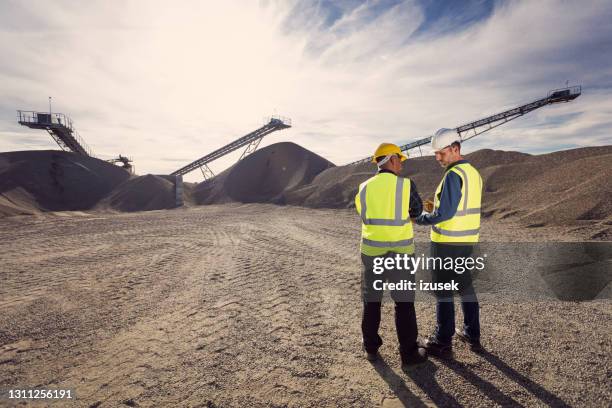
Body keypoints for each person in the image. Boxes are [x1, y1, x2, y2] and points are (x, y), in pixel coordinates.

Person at [355, 143, 428, 368]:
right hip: (400, 252)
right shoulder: (406, 185)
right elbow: (416, 213)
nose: (402, 164)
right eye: (401, 160)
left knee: (372, 300)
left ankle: (371, 348)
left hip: (371, 251)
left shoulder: (364, 187)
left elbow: (363, 213)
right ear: (392, 159)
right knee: (404, 303)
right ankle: (408, 354)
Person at [416, 128, 483, 357]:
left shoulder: (454, 175)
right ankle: (471, 333)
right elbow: (459, 208)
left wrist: (422, 218)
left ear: (455, 149)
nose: (437, 158)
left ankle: (442, 340)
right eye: (435, 153)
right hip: (466, 241)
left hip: (447, 242)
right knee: (465, 285)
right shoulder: (472, 173)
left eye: (441, 153)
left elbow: (445, 214)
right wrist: (435, 207)